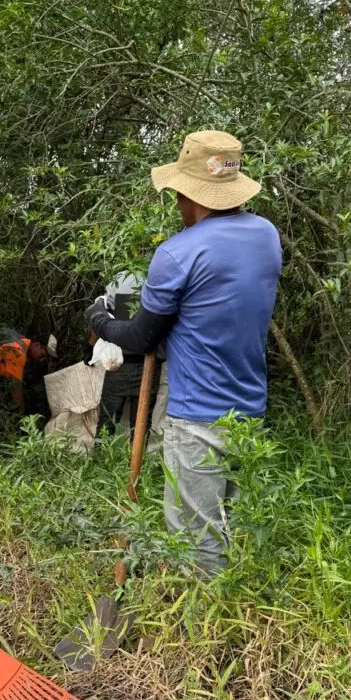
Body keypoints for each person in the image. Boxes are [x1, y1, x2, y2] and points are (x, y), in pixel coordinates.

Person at [86, 130, 282, 576]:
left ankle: (201, 638)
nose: (176, 204)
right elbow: (213, 309)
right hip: (249, 410)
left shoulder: (178, 253)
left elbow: (137, 338)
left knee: (195, 539)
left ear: (190, 195)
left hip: (198, 417)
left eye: (177, 194)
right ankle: (235, 621)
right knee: (232, 528)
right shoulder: (266, 236)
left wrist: (99, 319)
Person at [85, 273, 162, 441]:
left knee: (107, 422)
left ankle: (101, 463)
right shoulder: (161, 277)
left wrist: (90, 348)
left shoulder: (118, 278)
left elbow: (102, 317)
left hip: (119, 362)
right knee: (141, 427)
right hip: (150, 362)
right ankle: (135, 465)